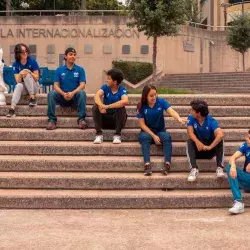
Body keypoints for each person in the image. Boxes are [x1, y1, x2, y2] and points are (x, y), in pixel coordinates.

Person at [137, 84, 186, 176]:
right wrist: (153, 136)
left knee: (167, 137)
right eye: (151, 96)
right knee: (144, 138)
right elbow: (142, 125)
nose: (154, 97)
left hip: (160, 131)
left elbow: (171, 111)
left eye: (155, 94)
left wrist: (178, 118)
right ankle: (147, 165)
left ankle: (167, 164)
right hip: (147, 132)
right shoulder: (141, 106)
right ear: (145, 96)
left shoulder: (161, 102)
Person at [47, 47, 87, 130]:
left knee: (82, 93)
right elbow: (56, 85)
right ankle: (52, 120)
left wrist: (72, 93)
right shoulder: (59, 70)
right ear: (65, 56)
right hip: (62, 97)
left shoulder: (80, 69)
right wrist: (63, 94)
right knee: (51, 93)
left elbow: (82, 85)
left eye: (74, 55)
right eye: (71, 54)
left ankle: (81, 120)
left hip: (74, 98)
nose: (73, 56)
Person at [186, 99, 225, 182]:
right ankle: (194, 169)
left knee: (220, 140)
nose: (190, 111)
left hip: (209, 150)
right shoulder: (191, 118)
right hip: (198, 150)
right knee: (189, 141)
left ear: (198, 113)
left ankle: (219, 167)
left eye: (192, 110)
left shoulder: (210, 121)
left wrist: (210, 146)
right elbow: (190, 132)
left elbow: (220, 134)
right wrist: (197, 142)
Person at [92, 68, 128, 144]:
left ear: (115, 82)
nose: (106, 80)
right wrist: (101, 105)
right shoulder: (105, 87)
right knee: (95, 106)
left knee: (121, 107)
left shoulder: (122, 89)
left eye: (108, 79)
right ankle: (99, 134)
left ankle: (117, 135)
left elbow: (125, 101)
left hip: (116, 121)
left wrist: (107, 106)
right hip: (105, 119)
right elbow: (97, 96)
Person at [6, 43, 40, 117]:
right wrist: (21, 73)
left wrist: (29, 72)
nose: (25, 53)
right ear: (18, 53)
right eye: (22, 52)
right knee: (18, 85)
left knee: (27, 74)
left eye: (26, 51)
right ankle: (12, 108)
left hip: (34, 86)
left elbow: (37, 77)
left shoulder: (32, 61)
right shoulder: (15, 64)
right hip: (25, 87)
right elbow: (18, 80)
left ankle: (32, 98)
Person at [226, 130, 250, 214]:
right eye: (247, 136)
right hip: (247, 180)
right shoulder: (246, 145)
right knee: (229, 167)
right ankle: (239, 202)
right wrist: (233, 166)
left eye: (249, 138)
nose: (247, 139)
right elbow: (232, 158)